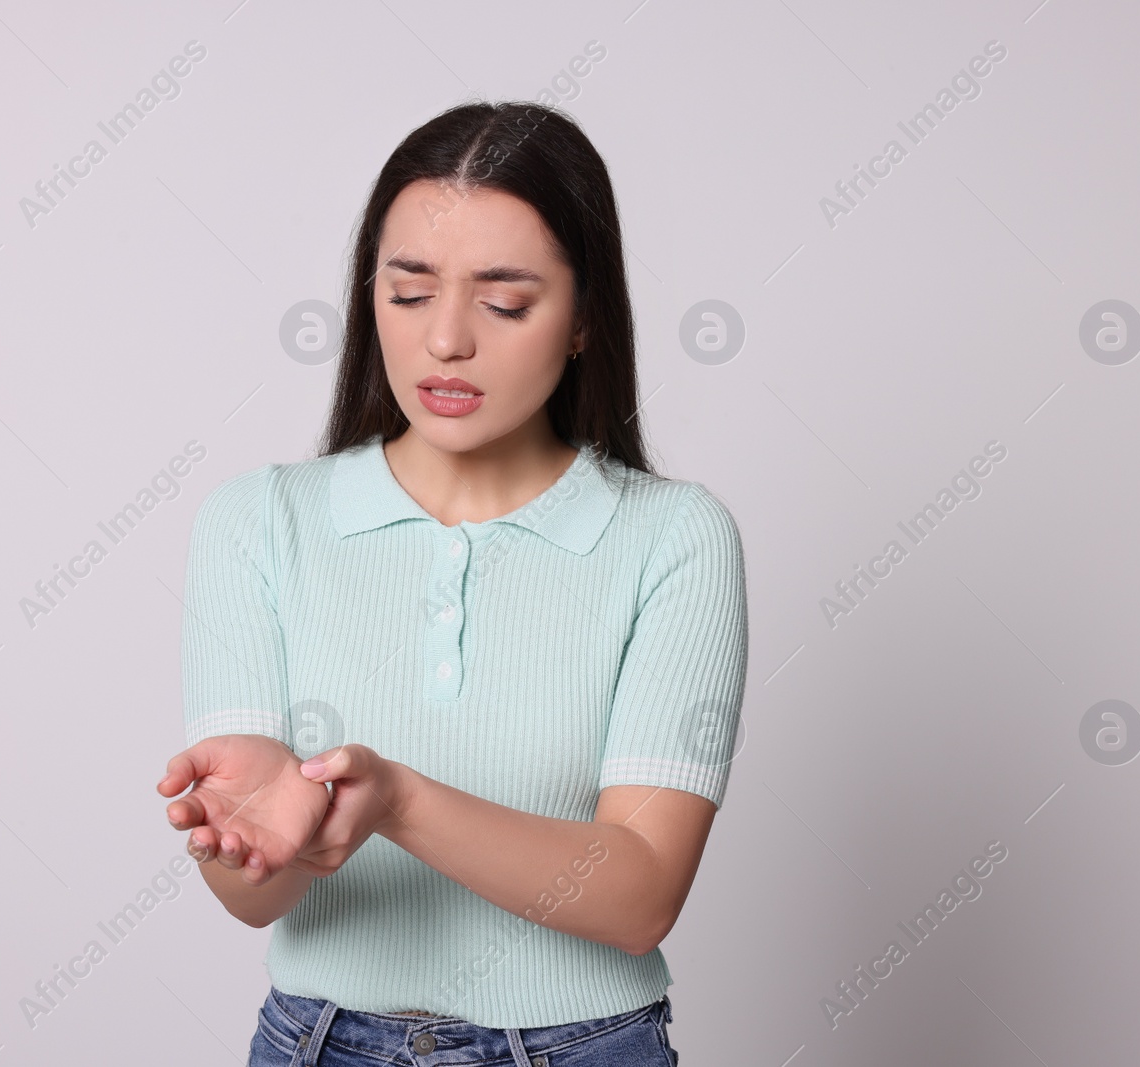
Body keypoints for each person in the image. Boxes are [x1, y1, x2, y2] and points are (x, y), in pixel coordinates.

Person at [156, 99, 748, 1067]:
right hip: (317, 1042)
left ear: (584, 319)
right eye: (408, 291)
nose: (445, 342)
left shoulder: (672, 537)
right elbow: (253, 898)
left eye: (504, 302)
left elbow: (640, 895)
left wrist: (395, 798)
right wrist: (254, 841)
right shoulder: (257, 521)